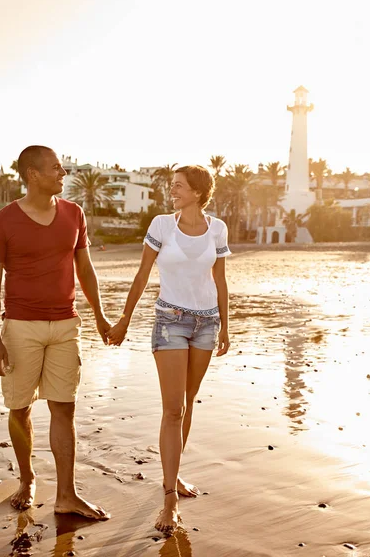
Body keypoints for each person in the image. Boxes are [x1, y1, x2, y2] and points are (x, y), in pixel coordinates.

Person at [107, 165, 231, 535]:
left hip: (206, 324)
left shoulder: (219, 229)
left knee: (188, 402)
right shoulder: (162, 225)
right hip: (170, 322)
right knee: (173, 408)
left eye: (178, 186)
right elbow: (143, 274)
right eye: (172, 185)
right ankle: (169, 498)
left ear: (196, 191)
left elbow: (221, 280)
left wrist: (227, 324)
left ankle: (174, 477)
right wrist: (124, 319)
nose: (171, 190)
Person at [0, 145, 111, 520]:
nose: (63, 174)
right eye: (56, 168)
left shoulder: (74, 214)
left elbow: (86, 268)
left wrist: (99, 315)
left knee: (65, 407)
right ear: (32, 174)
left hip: (66, 324)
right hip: (19, 325)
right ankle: (28, 479)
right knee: (20, 407)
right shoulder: (5, 219)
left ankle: (67, 494)